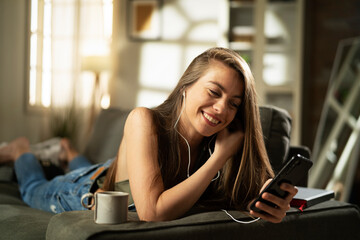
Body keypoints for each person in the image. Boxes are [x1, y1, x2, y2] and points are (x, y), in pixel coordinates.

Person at [0, 47, 297, 223]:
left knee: (108, 167)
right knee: (33, 186)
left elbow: (255, 185)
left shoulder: (226, 137)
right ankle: (20, 149)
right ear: (185, 88)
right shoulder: (143, 119)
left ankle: (69, 151)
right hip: (84, 190)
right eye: (213, 92)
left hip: (115, 174)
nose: (221, 109)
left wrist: (272, 197)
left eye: (233, 103)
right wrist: (219, 158)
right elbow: (152, 212)